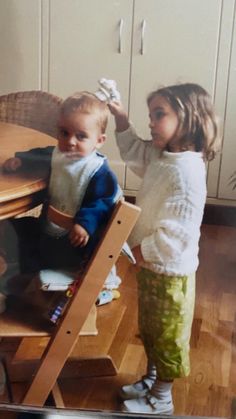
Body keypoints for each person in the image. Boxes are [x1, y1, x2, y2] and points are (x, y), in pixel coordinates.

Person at [109, 83, 220, 414]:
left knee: (169, 336)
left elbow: (179, 233)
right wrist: (121, 119)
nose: (152, 123)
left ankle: (161, 398)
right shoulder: (162, 155)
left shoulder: (187, 172)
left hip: (171, 272)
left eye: (160, 115)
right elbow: (134, 152)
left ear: (189, 119)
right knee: (152, 329)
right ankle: (151, 379)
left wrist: (142, 251)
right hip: (151, 265)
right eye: (151, 115)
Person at [0, 91, 121, 313]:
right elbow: (43, 154)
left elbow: (103, 202)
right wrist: (21, 160)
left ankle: (23, 289)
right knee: (8, 229)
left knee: (32, 251)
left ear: (99, 141)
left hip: (75, 243)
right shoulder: (60, 152)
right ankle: (18, 279)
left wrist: (85, 223)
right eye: (64, 133)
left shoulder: (97, 171)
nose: (70, 142)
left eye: (81, 136)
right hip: (50, 230)